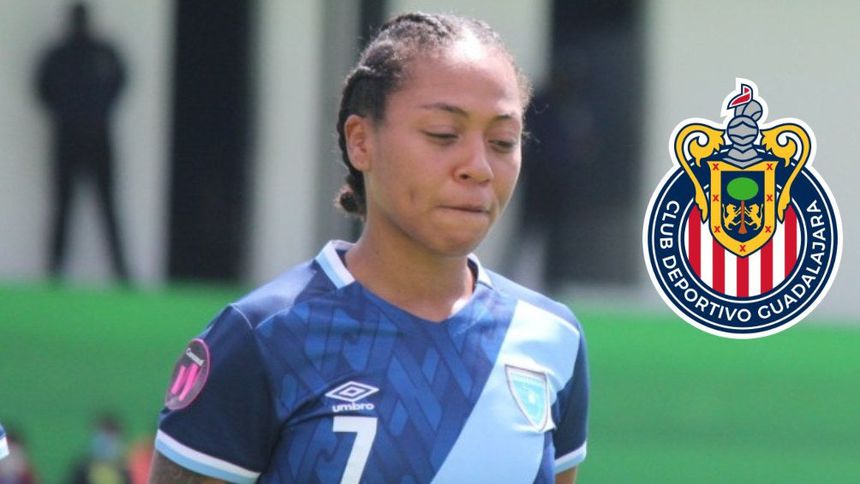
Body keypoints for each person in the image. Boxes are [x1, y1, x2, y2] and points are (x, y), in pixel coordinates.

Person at [149, 12, 589, 483]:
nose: (478, 167)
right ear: (360, 141)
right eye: (443, 134)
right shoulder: (262, 338)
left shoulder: (551, 338)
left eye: (502, 142)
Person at [36, 2, 129, 281]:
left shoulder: (103, 52)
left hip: (98, 134)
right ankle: (55, 271)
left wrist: (100, 110)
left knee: (107, 204)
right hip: (69, 135)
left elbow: (120, 80)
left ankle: (120, 272)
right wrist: (65, 112)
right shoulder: (59, 55)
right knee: (63, 204)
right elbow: (42, 87)